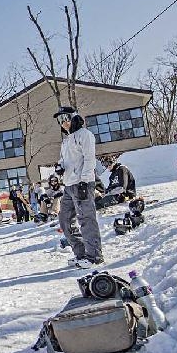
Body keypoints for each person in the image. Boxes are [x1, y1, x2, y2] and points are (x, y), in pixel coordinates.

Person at [53, 106, 103, 268]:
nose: (63, 123)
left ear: (74, 117)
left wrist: (85, 180)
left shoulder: (85, 135)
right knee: (65, 220)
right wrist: (59, 166)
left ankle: (94, 255)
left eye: (65, 118)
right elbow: (63, 159)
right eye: (60, 121)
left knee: (86, 219)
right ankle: (81, 253)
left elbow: (89, 159)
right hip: (68, 185)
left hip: (83, 183)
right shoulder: (66, 140)